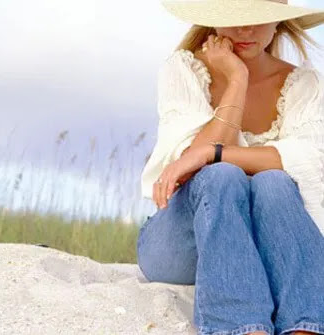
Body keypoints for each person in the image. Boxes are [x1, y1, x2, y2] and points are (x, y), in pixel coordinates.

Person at [136, 1, 324, 335]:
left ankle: (304, 326)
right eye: (235, 20)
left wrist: (215, 151)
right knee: (220, 175)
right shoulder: (185, 69)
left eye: (257, 19)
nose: (246, 30)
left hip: (266, 247)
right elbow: (189, 169)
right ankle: (241, 327)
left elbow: (309, 159)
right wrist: (237, 80)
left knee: (275, 183)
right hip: (180, 244)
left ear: (278, 22)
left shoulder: (304, 85)